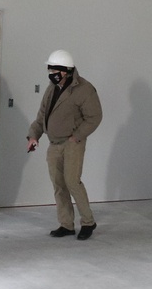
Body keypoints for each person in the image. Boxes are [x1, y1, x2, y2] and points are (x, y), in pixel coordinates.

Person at [27, 50, 103, 240]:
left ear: (67, 71)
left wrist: (76, 136)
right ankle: (66, 224)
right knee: (59, 185)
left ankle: (88, 222)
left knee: (72, 182)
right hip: (54, 144)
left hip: (72, 144)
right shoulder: (51, 89)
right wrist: (33, 136)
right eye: (50, 69)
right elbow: (41, 116)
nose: (51, 73)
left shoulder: (84, 89)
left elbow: (94, 117)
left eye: (55, 70)